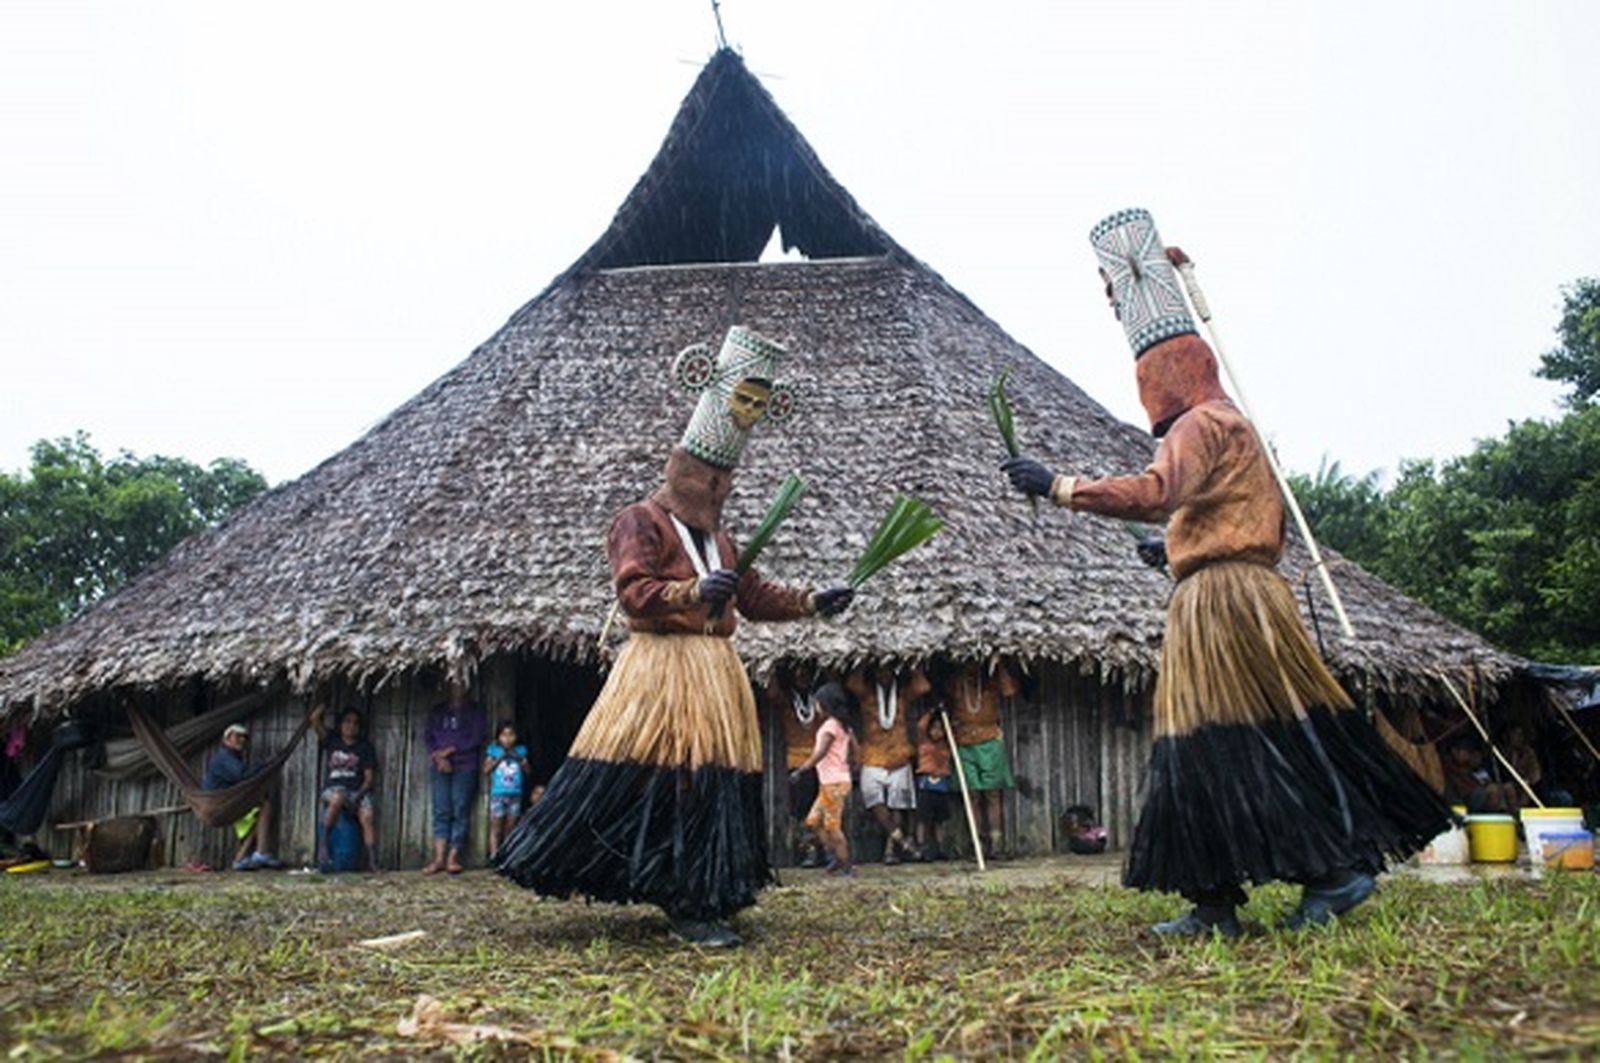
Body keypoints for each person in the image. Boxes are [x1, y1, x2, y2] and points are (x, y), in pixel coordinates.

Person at [1002, 216, 1453, 936]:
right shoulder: (1229, 424)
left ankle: (1328, 874)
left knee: (1235, 740)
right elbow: (1220, 517)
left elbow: (1157, 492)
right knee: (1213, 745)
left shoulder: (1202, 424)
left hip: (1226, 606)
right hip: (1224, 594)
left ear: (1167, 371)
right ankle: (1219, 898)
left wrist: (1059, 484)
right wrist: (1177, 551)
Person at [492, 326, 854, 947]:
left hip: (714, 674)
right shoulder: (640, 521)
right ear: (684, 468)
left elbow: (751, 592)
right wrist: (689, 593)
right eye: (706, 477)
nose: (715, 489)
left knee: (712, 783)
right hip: (661, 672)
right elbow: (633, 592)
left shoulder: (719, 539)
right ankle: (679, 895)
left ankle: (708, 888)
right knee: (671, 780)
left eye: (721, 481)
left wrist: (813, 603)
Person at [845, 665, 930, 863]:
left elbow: (923, 687)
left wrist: (914, 663)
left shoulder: (902, 695)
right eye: (880, 671)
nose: (884, 675)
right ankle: (903, 841)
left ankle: (890, 851)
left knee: (897, 805)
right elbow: (852, 683)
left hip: (899, 756)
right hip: (872, 757)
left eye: (888, 671)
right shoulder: (866, 695)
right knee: (875, 802)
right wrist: (862, 660)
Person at [941, 658, 1020, 861]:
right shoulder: (956, 685)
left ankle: (996, 844)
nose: (972, 669)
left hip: (990, 741)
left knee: (993, 794)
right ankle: (977, 844)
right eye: (967, 664)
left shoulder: (991, 684)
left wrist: (999, 663)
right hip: (964, 743)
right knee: (972, 795)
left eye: (976, 665)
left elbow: (1010, 691)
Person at [791, 682, 859, 877]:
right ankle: (837, 858)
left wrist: (802, 769)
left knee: (832, 827)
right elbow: (855, 747)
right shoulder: (843, 726)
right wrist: (854, 764)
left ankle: (846, 865)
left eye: (818, 704)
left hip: (833, 783)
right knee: (814, 821)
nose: (816, 707)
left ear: (825, 705)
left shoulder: (830, 727)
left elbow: (820, 752)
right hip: (833, 782)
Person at [422, 679, 487, 874]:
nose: (457, 688)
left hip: (465, 765)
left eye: (461, 684)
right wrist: (438, 756)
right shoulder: (438, 711)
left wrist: (451, 750)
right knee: (441, 809)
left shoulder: (475, 712)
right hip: (440, 765)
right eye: (453, 684)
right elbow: (428, 737)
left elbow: (477, 737)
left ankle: (453, 857)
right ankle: (439, 857)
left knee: (460, 809)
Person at [766, 663, 825, 867]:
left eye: (805, 673)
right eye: (798, 673)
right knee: (799, 810)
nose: (802, 676)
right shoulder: (788, 699)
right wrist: (772, 665)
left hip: (818, 762)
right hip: (796, 763)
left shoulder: (818, 700)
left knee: (818, 808)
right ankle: (807, 850)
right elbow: (772, 694)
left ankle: (819, 848)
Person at [200, 723, 282, 871]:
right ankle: (261, 852)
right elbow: (243, 775)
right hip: (218, 804)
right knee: (265, 806)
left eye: (243, 738)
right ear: (226, 739)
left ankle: (240, 858)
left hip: (225, 802)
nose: (241, 740)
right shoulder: (224, 757)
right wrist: (265, 764)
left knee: (259, 813)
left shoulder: (231, 757)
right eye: (237, 736)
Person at [310, 704, 380, 871]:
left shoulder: (364, 747)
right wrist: (325, 701)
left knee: (367, 815)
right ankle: (324, 845)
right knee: (337, 798)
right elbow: (314, 720)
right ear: (340, 724)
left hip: (357, 791)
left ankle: (373, 861)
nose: (351, 726)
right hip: (333, 789)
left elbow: (369, 779)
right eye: (347, 721)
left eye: (355, 723)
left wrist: (358, 797)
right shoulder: (332, 741)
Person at [913, 700, 954, 861]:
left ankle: (941, 848)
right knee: (923, 819)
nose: (937, 732)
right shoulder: (924, 741)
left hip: (941, 785)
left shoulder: (946, 744)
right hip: (926, 784)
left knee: (940, 821)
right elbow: (920, 726)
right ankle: (922, 848)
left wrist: (946, 718)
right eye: (934, 728)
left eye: (940, 729)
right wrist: (931, 711)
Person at [484, 721, 531, 860]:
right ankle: (494, 856)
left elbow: (528, 771)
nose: (508, 738)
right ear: (498, 737)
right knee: (496, 828)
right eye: (504, 735)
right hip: (498, 794)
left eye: (511, 735)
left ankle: (506, 856)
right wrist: (499, 758)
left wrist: (521, 761)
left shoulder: (521, 751)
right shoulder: (493, 750)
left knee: (510, 828)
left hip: (515, 794)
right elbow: (486, 770)